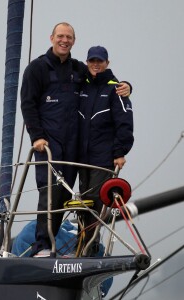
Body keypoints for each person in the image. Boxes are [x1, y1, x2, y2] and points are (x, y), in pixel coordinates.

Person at [20, 22, 131, 257]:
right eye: (60, 36)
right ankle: (42, 246)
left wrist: (127, 86)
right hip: (48, 145)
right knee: (50, 193)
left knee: (70, 196)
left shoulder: (79, 69)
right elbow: (28, 104)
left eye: (69, 37)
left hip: (73, 148)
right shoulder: (36, 69)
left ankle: (80, 249)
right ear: (51, 38)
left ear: (74, 41)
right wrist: (36, 136)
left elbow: (101, 77)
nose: (64, 40)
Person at [78, 46, 134, 256]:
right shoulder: (81, 86)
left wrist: (120, 152)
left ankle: (89, 251)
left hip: (103, 159)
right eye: (92, 60)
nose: (96, 64)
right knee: (82, 204)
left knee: (94, 202)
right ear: (87, 62)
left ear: (107, 63)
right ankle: (81, 247)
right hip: (81, 159)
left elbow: (125, 124)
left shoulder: (116, 89)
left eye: (99, 61)